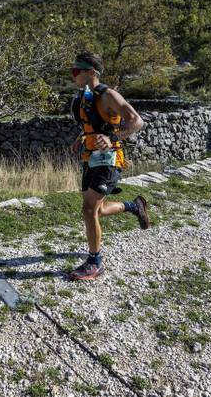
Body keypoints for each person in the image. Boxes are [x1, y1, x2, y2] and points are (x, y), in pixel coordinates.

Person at [67, 52, 149, 281]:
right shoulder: (84, 96)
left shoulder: (109, 95)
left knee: (88, 209)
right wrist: (80, 138)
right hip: (89, 158)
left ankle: (94, 263)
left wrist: (114, 138)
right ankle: (134, 206)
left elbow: (137, 121)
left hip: (109, 159)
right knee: (98, 210)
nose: (73, 75)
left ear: (91, 72)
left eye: (77, 71)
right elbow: (91, 125)